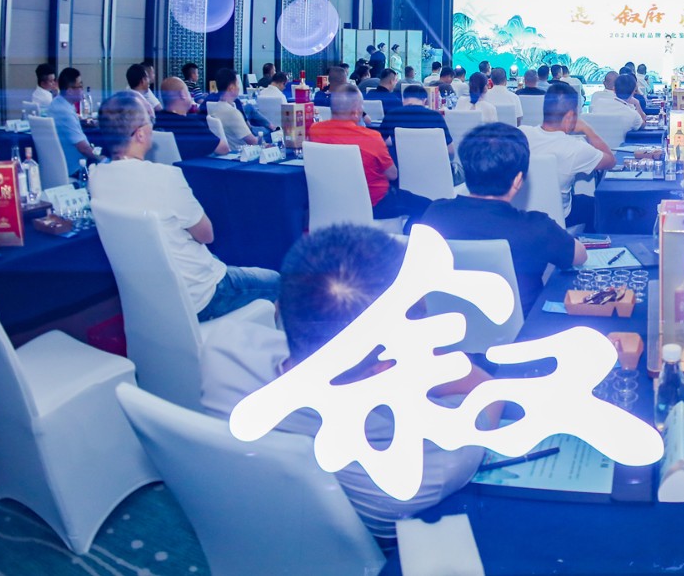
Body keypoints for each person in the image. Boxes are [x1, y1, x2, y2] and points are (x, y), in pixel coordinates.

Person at [201, 223, 493, 544]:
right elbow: (487, 395)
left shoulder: (219, 352)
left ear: (279, 309)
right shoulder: (424, 462)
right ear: (389, 361)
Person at [92, 92, 279, 318]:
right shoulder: (164, 177)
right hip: (203, 295)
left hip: (150, 299)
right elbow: (206, 235)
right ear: (140, 134)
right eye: (150, 122)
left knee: (217, 261)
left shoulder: (96, 177)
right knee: (279, 282)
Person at [416, 123, 586, 312]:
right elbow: (579, 256)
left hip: (447, 324)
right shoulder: (537, 227)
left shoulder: (435, 213)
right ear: (518, 180)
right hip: (522, 328)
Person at [308, 84, 433, 220]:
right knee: (429, 207)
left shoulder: (315, 130)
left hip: (332, 202)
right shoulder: (371, 137)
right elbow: (392, 175)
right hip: (376, 203)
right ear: (356, 111)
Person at [521, 81, 614, 224]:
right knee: (599, 205)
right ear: (570, 116)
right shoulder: (576, 148)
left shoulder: (521, 134)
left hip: (522, 215)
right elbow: (610, 161)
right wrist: (587, 129)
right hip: (560, 219)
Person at [155, 77, 229, 159]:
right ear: (183, 94)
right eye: (188, 92)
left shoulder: (156, 121)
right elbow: (223, 149)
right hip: (191, 166)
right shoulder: (190, 125)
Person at [47, 67, 98, 170]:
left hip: (60, 165)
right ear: (70, 91)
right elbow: (84, 149)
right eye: (80, 86)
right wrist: (104, 159)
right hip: (77, 168)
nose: (82, 90)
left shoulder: (55, 103)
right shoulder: (65, 113)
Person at [379, 83, 453, 152]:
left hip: (398, 161)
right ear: (425, 100)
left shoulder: (391, 114)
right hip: (430, 160)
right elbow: (450, 150)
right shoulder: (435, 116)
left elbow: (380, 140)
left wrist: (396, 142)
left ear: (403, 99)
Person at [205, 69, 258, 150]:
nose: (238, 87)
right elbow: (252, 141)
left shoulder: (213, 107)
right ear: (231, 88)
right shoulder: (233, 113)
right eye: (237, 84)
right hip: (242, 152)